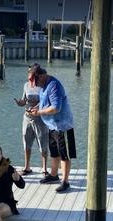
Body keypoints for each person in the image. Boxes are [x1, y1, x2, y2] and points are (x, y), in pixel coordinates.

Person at [28, 64, 76, 193]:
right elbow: (44, 101)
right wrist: (37, 107)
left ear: (42, 75)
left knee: (64, 155)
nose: (36, 85)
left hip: (62, 126)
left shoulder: (54, 85)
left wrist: (39, 113)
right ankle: (54, 175)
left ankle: (65, 182)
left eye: (36, 81)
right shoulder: (44, 86)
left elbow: (56, 108)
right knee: (54, 152)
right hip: (52, 125)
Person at [13, 64, 49, 176]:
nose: (30, 76)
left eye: (32, 74)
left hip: (40, 118)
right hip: (27, 118)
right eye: (29, 73)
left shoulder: (43, 85)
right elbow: (24, 100)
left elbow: (46, 101)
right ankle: (27, 167)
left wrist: (38, 106)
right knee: (26, 142)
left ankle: (44, 168)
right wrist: (20, 103)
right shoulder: (26, 85)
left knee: (42, 143)